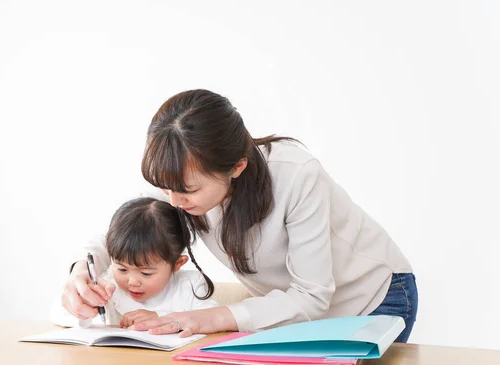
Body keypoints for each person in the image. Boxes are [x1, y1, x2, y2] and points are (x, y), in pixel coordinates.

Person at [62, 89, 418, 342]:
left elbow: (312, 295)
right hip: (290, 312)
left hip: (373, 299)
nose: (172, 201)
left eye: (186, 190)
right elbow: (130, 226)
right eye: (165, 186)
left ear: (237, 167)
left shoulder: (296, 175)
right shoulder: (181, 186)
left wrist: (208, 319)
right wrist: (83, 268)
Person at [55, 197, 218, 329]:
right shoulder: (108, 285)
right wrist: (83, 308)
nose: (132, 281)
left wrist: (160, 318)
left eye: (146, 273)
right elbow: (58, 315)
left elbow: (214, 319)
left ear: (177, 264)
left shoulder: (191, 285)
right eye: (122, 269)